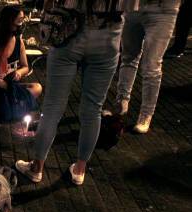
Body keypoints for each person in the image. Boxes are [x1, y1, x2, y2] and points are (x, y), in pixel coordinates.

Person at [15, 0, 137, 186]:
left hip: (69, 31)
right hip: (108, 36)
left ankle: (36, 168)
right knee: (93, 110)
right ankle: (79, 170)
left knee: (52, 108)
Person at [110, 0, 181, 134]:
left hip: (163, 9)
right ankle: (121, 103)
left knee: (151, 66)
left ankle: (146, 115)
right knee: (128, 58)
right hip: (133, 7)